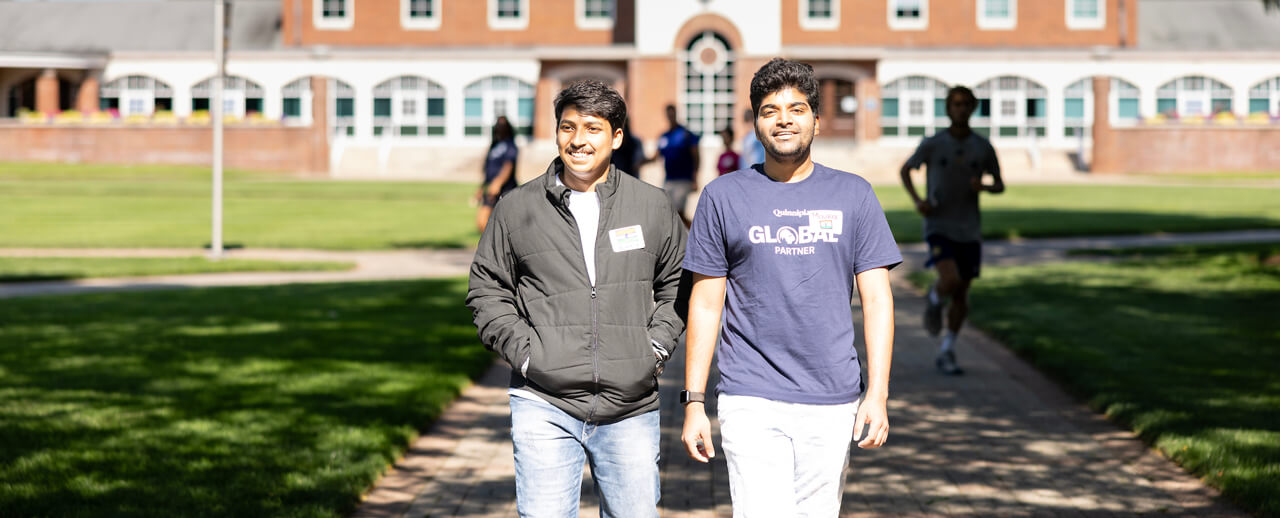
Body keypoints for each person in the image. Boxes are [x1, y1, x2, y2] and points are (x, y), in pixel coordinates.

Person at [680, 58, 901, 517]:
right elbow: (705, 305)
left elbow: (877, 299)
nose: (783, 119)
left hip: (832, 395)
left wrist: (876, 393)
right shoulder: (722, 196)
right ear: (756, 123)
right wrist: (694, 401)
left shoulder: (854, 194)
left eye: (796, 109)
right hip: (749, 394)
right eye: (769, 110)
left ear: (817, 122)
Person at [466, 80, 687, 517]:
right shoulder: (517, 207)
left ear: (616, 137)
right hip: (542, 402)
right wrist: (527, 355)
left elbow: (679, 282)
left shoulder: (652, 205)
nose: (579, 140)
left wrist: (655, 348)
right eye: (568, 127)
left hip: (631, 405)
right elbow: (487, 289)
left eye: (592, 128)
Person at [899, 85, 1005, 376]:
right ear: (948, 108)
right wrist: (919, 201)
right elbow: (906, 169)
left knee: (962, 293)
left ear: (973, 108)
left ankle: (948, 349)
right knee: (951, 280)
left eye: (965, 104)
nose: (960, 109)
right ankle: (934, 299)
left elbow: (999, 184)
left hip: (969, 228)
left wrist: (982, 186)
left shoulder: (983, 147)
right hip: (939, 225)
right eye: (955, 104)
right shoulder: (933, 144)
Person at [655, 104, 700, 225]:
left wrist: (695, 178)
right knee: (667, 211)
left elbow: (696, 156)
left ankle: (695, 230)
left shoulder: (685, 134)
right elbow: (656, 156)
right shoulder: (664, 136)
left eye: (672, 114)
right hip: (669, 179)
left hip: (683, 179)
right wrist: (639, 162)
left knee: (678, 211)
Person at [475, 115, 518, 233]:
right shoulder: (494, 146)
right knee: (481, 222)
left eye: (503, 125)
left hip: (506, 189)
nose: (500, 127)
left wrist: (498, 183)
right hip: (490, 190)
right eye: (498, 124)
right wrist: (481, 188)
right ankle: (494, 247)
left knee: (508, 224)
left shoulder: (511, 146)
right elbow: (488, 169)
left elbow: (508, 166)